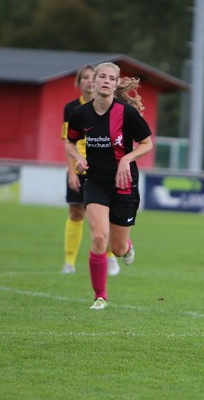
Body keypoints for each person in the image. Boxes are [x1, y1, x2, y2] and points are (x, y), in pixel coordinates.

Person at [65, 62, 153, 310]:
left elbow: (147, 144)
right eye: (101, 77)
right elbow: (70, 143)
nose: (105, 81)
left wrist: (126, 158)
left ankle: (127, 248)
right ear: (93, 82)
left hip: (124, 184)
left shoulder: (127, 113)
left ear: (115, 85)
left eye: (110, 78)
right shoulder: (81, 114)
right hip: (96, 183)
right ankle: (100, 296)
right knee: (99, 237)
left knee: (117, 247)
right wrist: (78, 159)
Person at [61, 65, 120, 277]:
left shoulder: (111, 106)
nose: (88, 81)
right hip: (79, 168)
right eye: (84, 77)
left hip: (103, 171)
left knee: (108, 217)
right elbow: (68, 142)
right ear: (80, 82)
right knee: (76, 213)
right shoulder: (72, 109)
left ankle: (112, 257)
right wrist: (71, 173)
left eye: (90, 76)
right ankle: (69, 262)